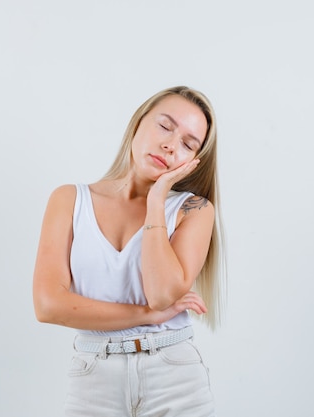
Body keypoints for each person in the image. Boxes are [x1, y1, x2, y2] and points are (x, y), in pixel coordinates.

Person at [32, 86, 226, 417]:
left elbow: (162, 293)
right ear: (138, 123)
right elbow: (48, 306)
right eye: (165, 126)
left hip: (174, 378)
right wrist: (148, 316)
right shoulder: (68, 200)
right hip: (93, 377)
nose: (170, 145)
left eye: (187, 144)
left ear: (193, 162)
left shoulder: (193, 209)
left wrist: (156, 200)